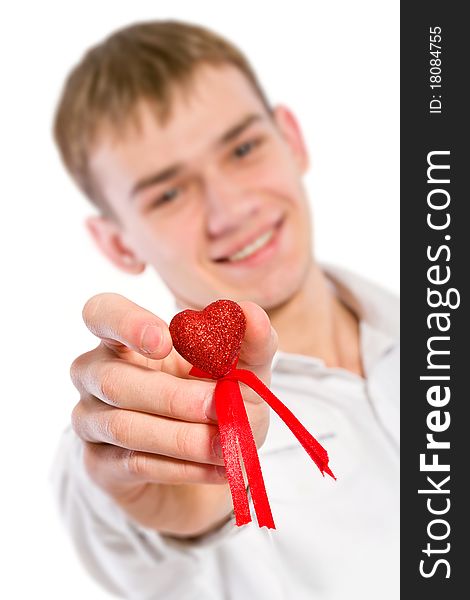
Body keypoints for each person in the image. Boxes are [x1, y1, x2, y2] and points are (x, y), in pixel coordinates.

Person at [52, 20, 399, 600]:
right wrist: (172, 498)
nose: (230, 210)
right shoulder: (156, 427)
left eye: (242, 148)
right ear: (118, 243)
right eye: (168, 193)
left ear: (291, 138)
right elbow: (113, 505)